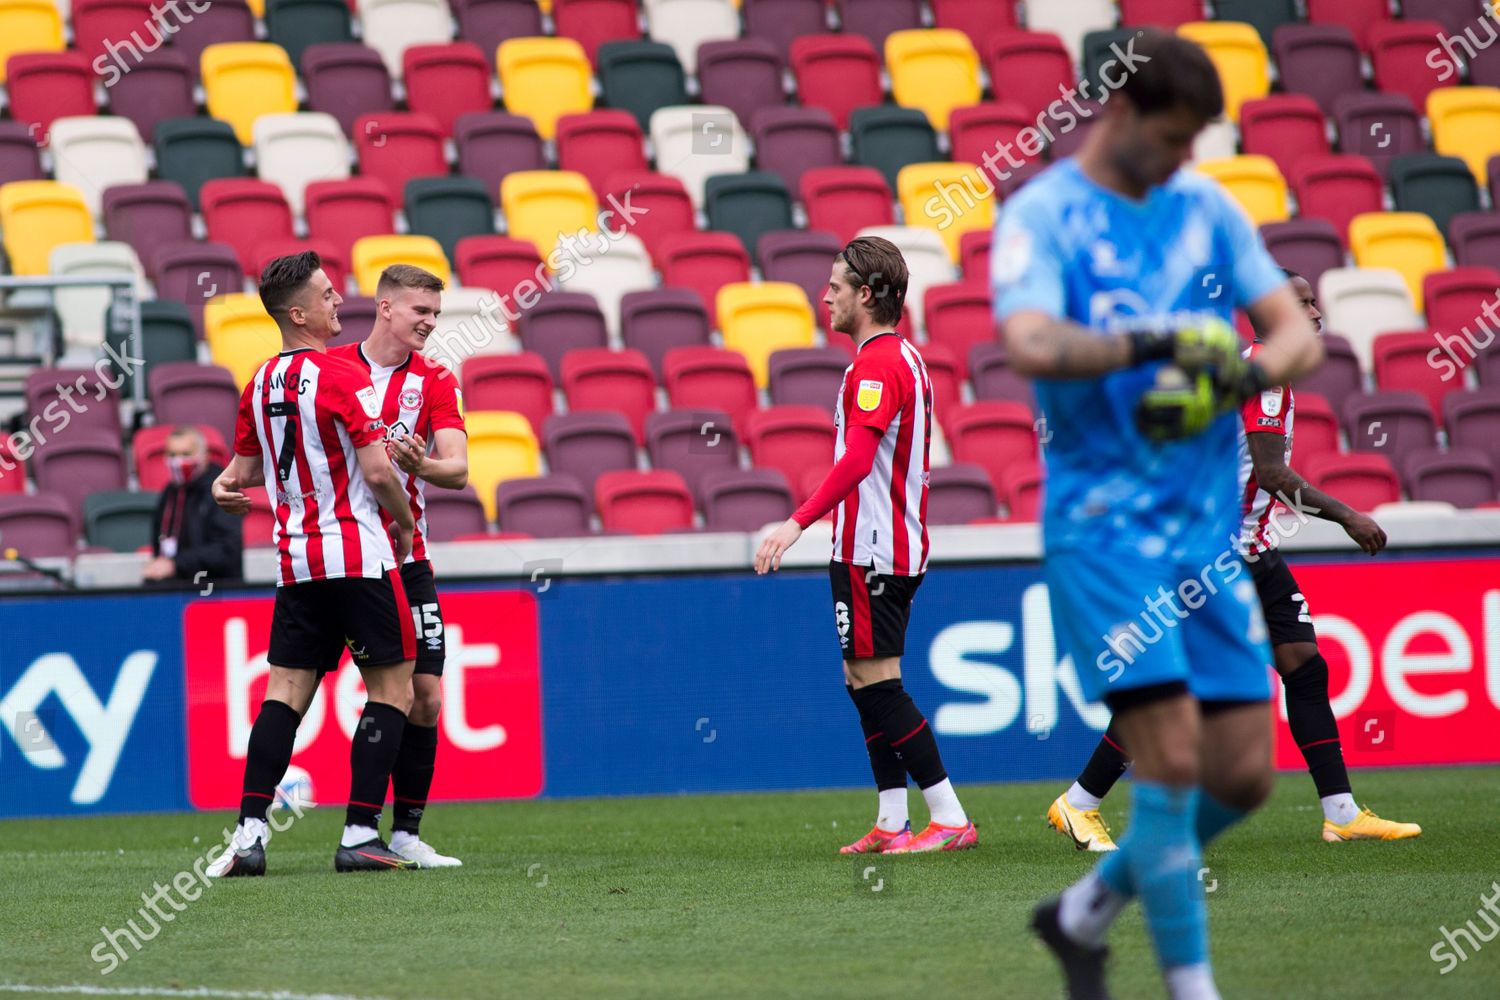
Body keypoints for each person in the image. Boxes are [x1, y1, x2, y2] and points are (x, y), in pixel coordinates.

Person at [992, 30, 1324, 1000]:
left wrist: (1243, 371)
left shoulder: (1204, 206)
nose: (1186, 160)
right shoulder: (1044, 214)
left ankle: (1084, 911)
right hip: (1103, 529)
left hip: (1206, 534)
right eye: (1174, 138)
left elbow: (1297, 329)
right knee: (1171, 757)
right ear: (1121, 113)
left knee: (1243, 776)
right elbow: (1030, 340)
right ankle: (1192, 988)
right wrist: (1156, 342)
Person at [1046, 270, 1421, 853]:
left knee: (1304, 666)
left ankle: (1342, 813)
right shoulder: (1267, 378)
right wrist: (1349, 515)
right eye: (1301, 304)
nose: (1316, 313)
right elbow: (1270, 473)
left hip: (1252, 552)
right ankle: (1079, 803)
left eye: (1314, 302)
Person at [756, 236, 976, 855]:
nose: (824, 295)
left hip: (872, 551)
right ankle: (890, 820)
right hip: (877, 546)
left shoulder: (878, 365)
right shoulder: (897, 358)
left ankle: (950, 817)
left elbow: (857, 459)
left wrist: (795, 523)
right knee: (861, 680)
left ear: (869, 294)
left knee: (877, 683)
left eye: (836, 285)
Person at [206, 251, 421, 876]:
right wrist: (404, 526)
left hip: (296, 562)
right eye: (327, 295)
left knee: (284, 696)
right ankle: (358, 833)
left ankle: (249, 837)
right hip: (357, 553)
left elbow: (238, 476)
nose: (338, 301)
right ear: (297, 313)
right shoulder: (342, 375)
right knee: (392, 690)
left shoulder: (258, 383)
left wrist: (223, 489)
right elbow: (379, 471)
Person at [328, 264, 468, 868]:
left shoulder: (436, 379)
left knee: (428, 697)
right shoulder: (329, 371)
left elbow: (458, 470)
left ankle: (405, 833)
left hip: (409, 559)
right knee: (306, 689)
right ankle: (270, 826)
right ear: (386, 307)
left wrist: (418, 463)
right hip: (345, 558)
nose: (430, 323)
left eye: (436, 313)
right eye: (420, 311)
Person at [142, 426, 243, 586]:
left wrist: (176, 564)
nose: (178, 461)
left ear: (205, 456)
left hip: (217, 590)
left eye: (186, 454)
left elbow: (226, 551)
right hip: (177, 589)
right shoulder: (169, 493)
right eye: (173, 455)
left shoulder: (223, 490)